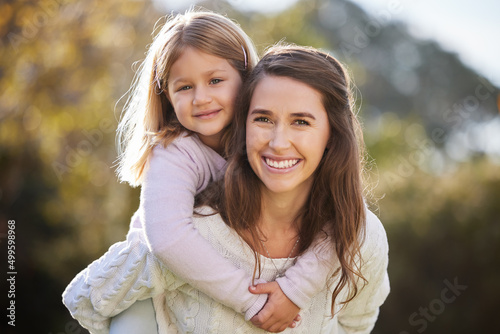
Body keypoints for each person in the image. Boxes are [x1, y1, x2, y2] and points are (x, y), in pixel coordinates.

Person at [63, 44, 390, 333]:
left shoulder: (361, 236)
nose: (278, 143)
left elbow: (356, 324)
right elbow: (89, 300)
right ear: (241, 124)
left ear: (332, 134)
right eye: (263, 119)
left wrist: (297, 289)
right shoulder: (196, 236)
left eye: (301, 122)